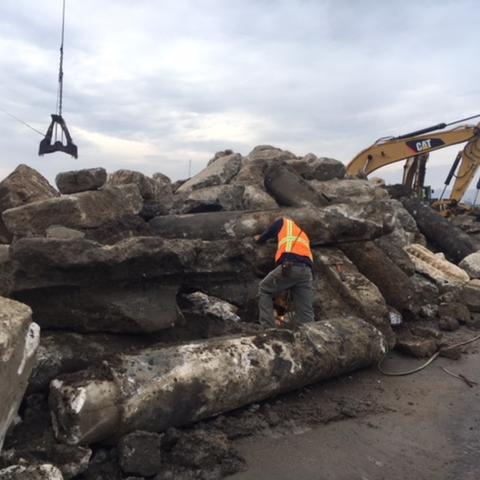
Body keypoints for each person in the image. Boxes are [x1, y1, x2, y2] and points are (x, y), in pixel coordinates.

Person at [254, 217, 314, 328]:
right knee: (306, 311)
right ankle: (311, 333)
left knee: (264, 289)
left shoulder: (284, 222)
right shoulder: (303, 235)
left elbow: (269, 232)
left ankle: (268, 328)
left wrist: (259, 238)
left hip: (291, 266)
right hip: (307, 272)